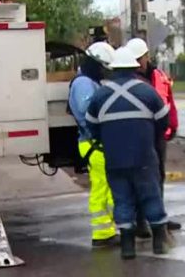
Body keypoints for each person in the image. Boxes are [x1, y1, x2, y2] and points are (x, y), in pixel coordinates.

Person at [85, 47, 170, 260]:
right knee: (150, 196)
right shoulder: (147, 91)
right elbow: (163, 122)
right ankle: (159, 243)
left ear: (113, 69)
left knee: (122, 199)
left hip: (114, 159)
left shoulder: (100, 95)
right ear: (134, 68)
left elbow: (91, 126)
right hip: (144, 157)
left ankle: (127, 247)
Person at [125, 38, 181, 236]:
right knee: (142, 178)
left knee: (158, 176)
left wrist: (173, 125)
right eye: (136, 59)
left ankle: (159, 218)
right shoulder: (129, 80)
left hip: (159, 134)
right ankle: (141, 221)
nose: (139, 62)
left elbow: (169, 102)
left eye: (141, 58)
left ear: (147, 56)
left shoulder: (159, 76)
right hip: (141, 136)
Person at [68, 41, 118, 248]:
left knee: (106, 186)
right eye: (103, 68)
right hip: (93, 143)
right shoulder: (84, 84)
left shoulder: (89, 82)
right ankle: (103, 233)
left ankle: (108, 230)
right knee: (102, 187)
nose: (105, 72)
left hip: (94, 143)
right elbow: (89, 111)